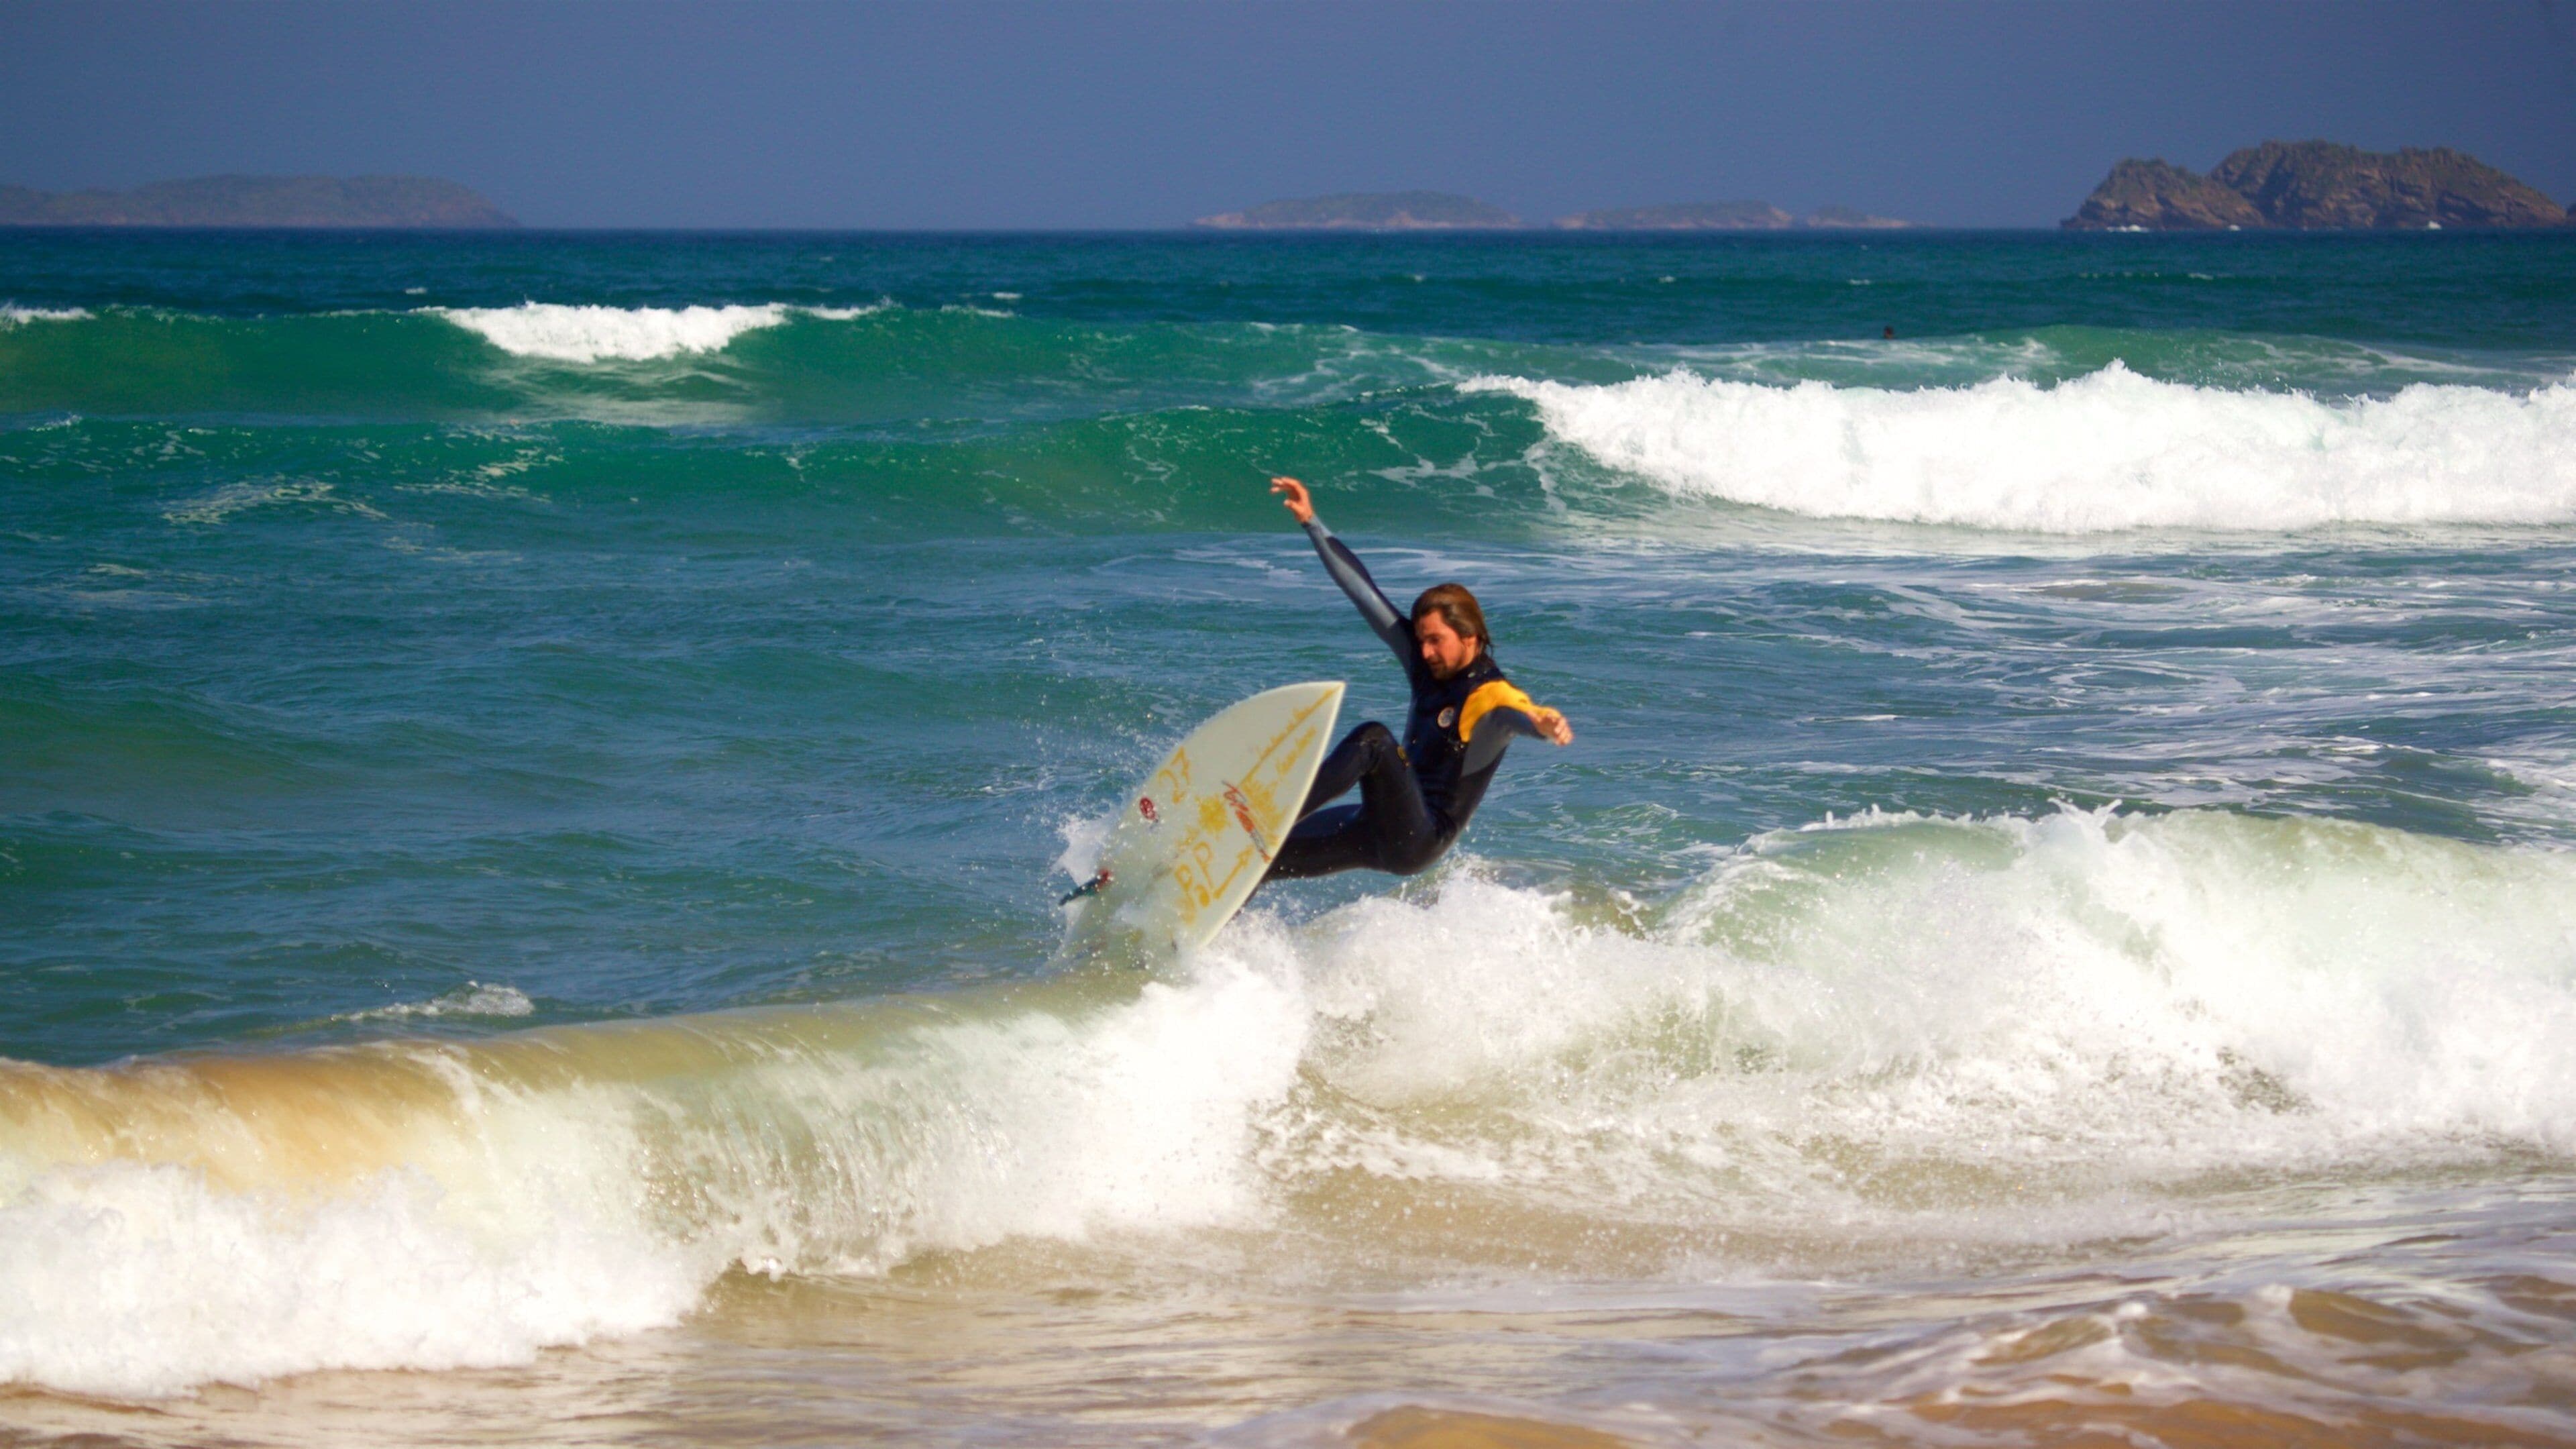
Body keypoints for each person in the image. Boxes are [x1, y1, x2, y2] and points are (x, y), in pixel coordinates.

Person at [1262, 476, 1572, 881]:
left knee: (1374, 740)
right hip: (1373, 822)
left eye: (1436, 641)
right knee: (1260, 859)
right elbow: (1363, 592)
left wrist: (1543, 725)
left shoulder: (1491, 696)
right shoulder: (1428, 666)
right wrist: (1311, 521)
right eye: (1421, 640)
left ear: (1470, 638)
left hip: (1418, 839)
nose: (1425, 652)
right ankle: (1198, 938)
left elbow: (1520, 716)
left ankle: (1275, 814)